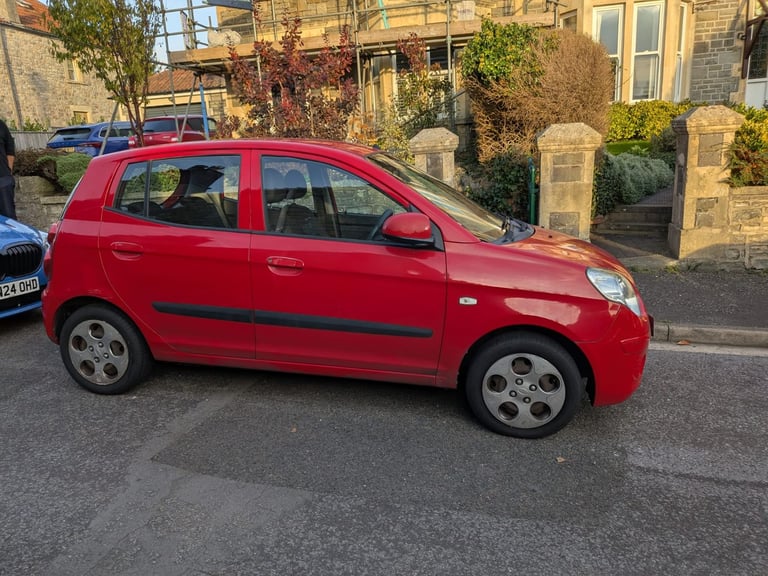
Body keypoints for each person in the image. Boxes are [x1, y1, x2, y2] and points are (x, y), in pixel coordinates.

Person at [0, 118, 17, 220]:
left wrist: (8, 170)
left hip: (2, 180)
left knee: (9, 221)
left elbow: (10, 147)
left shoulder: (1, 125)